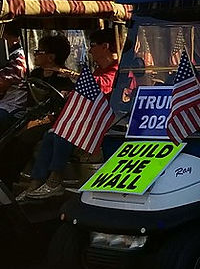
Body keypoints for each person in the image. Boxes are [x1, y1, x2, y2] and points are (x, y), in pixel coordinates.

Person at [18, 28, 119, 201]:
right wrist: (68, 93)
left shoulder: (115, 71)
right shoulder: (97, 71)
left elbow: (101, 87)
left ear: (105, 47)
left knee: (62, 134)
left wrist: (68, 73)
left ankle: (55, 179)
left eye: (93, 45)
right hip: (88, 117)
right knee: (50, 135)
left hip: (107, 121)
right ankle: (36, 181)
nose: (90, 50)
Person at [0, 34, 74, 134]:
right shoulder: (36, 74)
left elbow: (57, 109)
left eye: (39, 51)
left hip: (48, 120)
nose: (35, 54)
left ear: (51, 58)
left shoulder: (63, 79)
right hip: (27, 113)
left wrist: (37, 121)